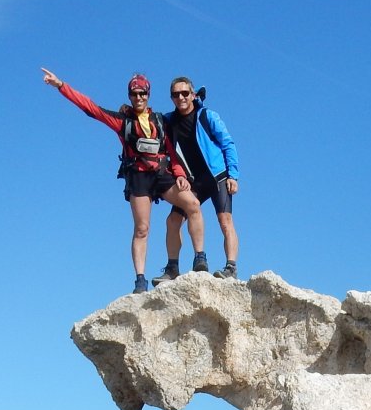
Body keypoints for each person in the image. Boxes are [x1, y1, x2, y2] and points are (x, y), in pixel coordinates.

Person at [41, 68, 207, 294]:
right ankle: (140, 280)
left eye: (142, 94)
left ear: (148, 95)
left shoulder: (159, 120)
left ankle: (199, 258)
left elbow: (171, 150)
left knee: (192, 204)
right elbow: (91, 108)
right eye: (134, 94)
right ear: (129, 95)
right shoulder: (123, 121)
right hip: (138, 176)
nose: (138, 98)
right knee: (142, 228)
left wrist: (179, 174)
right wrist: (61, 85)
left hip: (161, 174)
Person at [157, 76, 242, 281]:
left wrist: (233, 175)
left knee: (225, 220)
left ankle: (231, 267)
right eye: (176, 94)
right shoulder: (169, 121)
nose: (181, 97)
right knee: (173, 220)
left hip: (217, 176)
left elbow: (227, 143)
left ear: (193, 95)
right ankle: (172, 267)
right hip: (192, 180)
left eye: (185, 93)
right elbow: (149, 119)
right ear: (172, 98)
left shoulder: (207, 116)